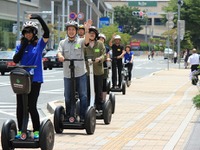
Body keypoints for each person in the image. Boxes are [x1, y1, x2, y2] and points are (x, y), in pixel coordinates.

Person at [13, 14, 49, 139]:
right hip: (22, 79)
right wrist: (24, 45)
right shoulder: (20, 45)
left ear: (34, 33)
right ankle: (20, 131)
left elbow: (47, 32)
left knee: (31, 106)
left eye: (30, 32)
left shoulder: (39, 45)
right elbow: (15, 59)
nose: (28, 34)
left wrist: (38, 18)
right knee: (21, 106)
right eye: (26, 32)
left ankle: (37, 130)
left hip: (35, 79)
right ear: (23, 33)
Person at [57, 20, 91, 122]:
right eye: (69, 29)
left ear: (76, 31)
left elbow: (87, 42)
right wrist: (61, 56)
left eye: (73, 29)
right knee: (68, 97)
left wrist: (87, 30)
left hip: (80, 73)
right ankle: (69, 116)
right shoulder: (62, 43)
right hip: (68, 74)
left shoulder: (80, 41)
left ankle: (83, 117)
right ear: (67, 31)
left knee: (83, 96)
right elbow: (59, 52)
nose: (71, 31)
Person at [84, 26, 106, 111]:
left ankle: (99, 107)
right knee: (88, 90)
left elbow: (104, 54)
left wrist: (100, 58)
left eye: (93, 33)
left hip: (98, 71)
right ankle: (89, 107)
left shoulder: (100, 44)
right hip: (87, 71)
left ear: (96, 34)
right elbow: (79, 50)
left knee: (98, 90)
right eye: (90, 33)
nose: (92, 35)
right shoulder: (84, 44)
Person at [98, 33, 111, 101]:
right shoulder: (95, 46)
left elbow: (107, 55)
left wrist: (108, 59)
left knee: (103, 82)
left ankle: (103, 99)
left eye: (102, 39)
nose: (101, 40)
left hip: (104, 66)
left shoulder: (106, 48)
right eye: (99, 38)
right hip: (95, 66)